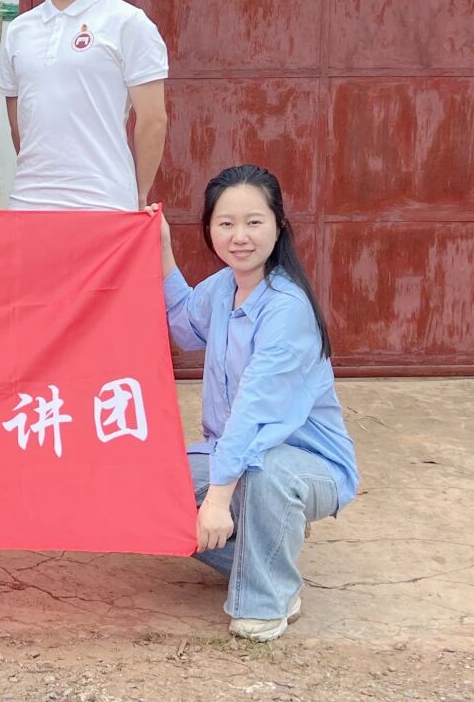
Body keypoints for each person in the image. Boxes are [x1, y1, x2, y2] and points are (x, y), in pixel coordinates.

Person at [151, 165, 359, 641]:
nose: (239, 236)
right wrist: (160, 246)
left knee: (265, 473)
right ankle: (269, 540)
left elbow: (255, 415)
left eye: (254, 222)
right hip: (234, 452)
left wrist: (217, 500)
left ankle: (270, 597)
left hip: (305, 464)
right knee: (149, 483)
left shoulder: (287, 309)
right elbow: (184, 322)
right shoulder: (223, 286)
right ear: (209, 228)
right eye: (225, 223)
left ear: (278, 225)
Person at [0, 0, 168, 211]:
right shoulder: (19, 31)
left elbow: (153, 120)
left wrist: (139, 195)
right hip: (30, 202)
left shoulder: (128, 22)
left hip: (104, 204)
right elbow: (19, 120)